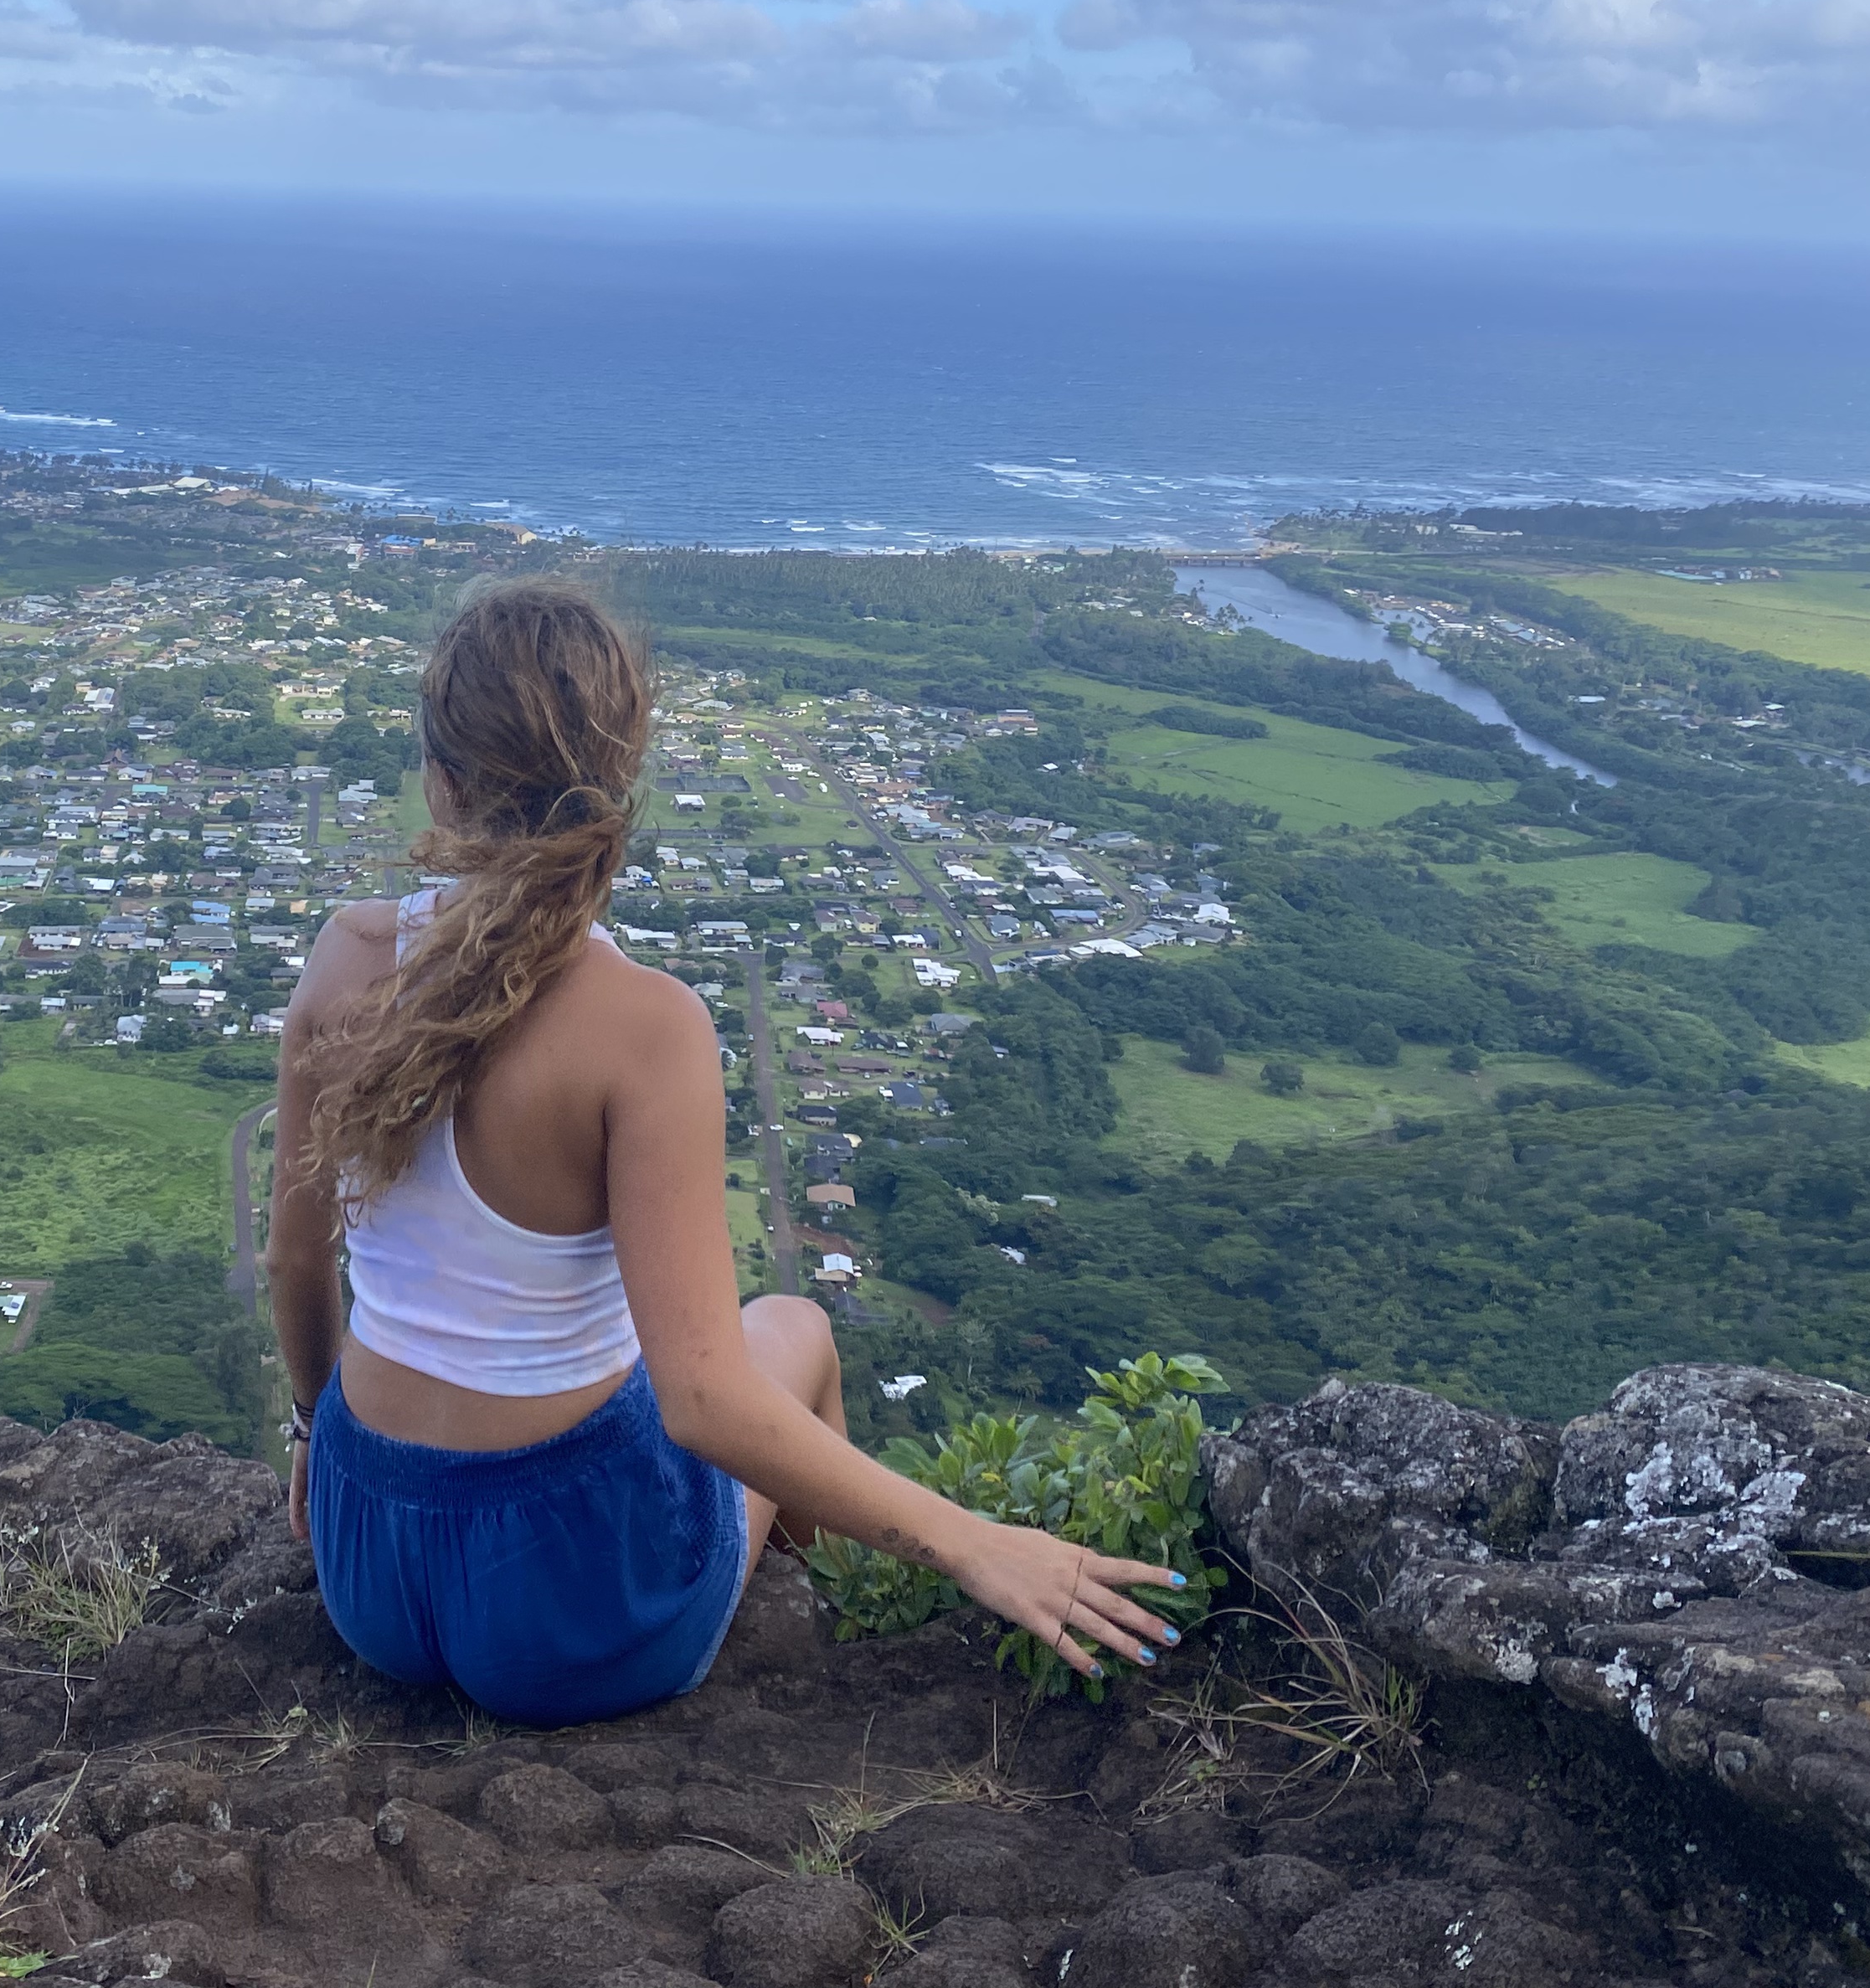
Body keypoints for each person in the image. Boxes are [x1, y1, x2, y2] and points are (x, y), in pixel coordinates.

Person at [266, 577, 1186, 1728]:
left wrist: (315, 1437)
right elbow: (704, 1401)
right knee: (789, 1331)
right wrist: (974, 1542)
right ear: (619, 780)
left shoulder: (345, 960)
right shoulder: (645, 1029)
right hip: (572, 1614)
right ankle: (821, 1633)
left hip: (372, 1573)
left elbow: (296, 1268)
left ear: (441, 784)